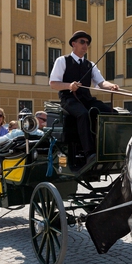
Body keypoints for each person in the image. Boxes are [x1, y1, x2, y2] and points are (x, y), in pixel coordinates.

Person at [49, 30, 119, 168]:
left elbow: (101, 83)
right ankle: (90, 153)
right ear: (73, 44)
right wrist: (69, 86)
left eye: (87, 43)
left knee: (111, 112)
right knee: (83, 114)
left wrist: (112, 86)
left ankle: (108, 150)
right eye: (82, 42)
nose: (85, 45)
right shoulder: (63, 61)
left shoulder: (90, 65)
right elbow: (53, 83)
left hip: (86, 99)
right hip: (69, 99)